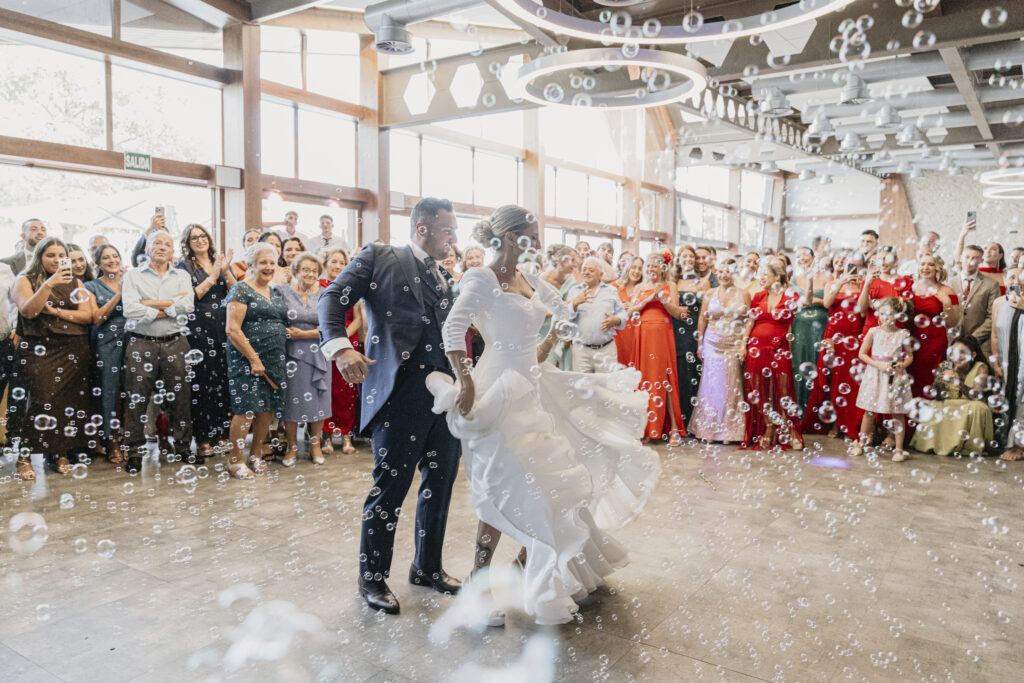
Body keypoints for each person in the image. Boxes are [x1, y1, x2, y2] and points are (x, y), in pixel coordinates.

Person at [428, 204, 659, 625]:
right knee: (499, 485)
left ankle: (524, 568)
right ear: (510, 236)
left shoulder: (531, 279)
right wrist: (466, 381)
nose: (537, 241)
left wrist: (556, 333)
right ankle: (480, 581)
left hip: (532, 388)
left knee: (547, 486)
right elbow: (452, 329)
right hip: (496, 391)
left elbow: (563, 316)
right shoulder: (481, 278)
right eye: (532, 234)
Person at [318, 197, 463, 615]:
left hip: (445, 395)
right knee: (391, 487)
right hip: (399, 394)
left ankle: (427, 567)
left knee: (441, 483)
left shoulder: (446, 276)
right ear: (422, 228)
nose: (454, 238)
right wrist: (340, 348)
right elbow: (332, 298)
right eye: (448, 230)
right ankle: (372, 577)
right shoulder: (379, 256)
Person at [11, 236, 97, 479]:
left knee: (66, 403)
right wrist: (49, 284)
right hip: (40, 348)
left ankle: (60, 452)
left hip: (73, 347)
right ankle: (24, 457)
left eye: (62, 256)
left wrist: (56, 311)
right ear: (39, 257)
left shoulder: (76, 282)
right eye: (51, 255)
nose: (57, 260)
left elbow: (87, 315)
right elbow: (29, 310)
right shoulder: (24, 280)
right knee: (42, 401)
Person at [121, 230, 195, 473]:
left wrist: (148, 305)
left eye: (167, 244)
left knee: (181, 398)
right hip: (141, 342)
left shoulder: (182, 275)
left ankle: (183, 447)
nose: (162, 247)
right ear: (147, 248)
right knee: (137, 398)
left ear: (172, 251)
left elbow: (187, 305)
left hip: (176, 341)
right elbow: (130, 310)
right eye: (157, 243)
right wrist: (171, 306)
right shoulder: (133, 275)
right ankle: (134, 452)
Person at [224, 243, 289, 478]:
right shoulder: (240, 290)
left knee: (267, 409)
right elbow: (232, 329)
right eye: (263, 262)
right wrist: (254, 359)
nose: (269, 267)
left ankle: (255, 456)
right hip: (247, 359)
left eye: (272, 262)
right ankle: (235, 461)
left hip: (275, 358)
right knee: (246, 409)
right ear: (250, 265)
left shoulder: (275, 292)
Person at [178, 224, 236, 459]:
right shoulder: (184, 267)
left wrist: (226, 271)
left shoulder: (219, 262)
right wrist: (213, 276)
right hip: (198, 330)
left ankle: (221, 434)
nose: (200, 240)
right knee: (202, 385)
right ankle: (202, 437)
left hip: (223, 328)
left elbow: (234, 292)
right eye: (194, 238)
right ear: (188, 243)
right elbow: (191, 297)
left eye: (203, 236)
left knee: (223, 384)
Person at [802, 252, 866, 441]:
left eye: (856, 265)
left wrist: (864, 284)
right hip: (833, 336)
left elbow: (863, 313)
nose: (852, 269)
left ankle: (849, 425)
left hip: (854, 335)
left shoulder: (863, 285)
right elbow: (828, 303)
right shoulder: (832, 283)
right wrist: (841, 282)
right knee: (833, 380)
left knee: (851, 382)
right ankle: (834, 424)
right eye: (849, 265)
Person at [275, 252, 330, 467]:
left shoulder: (325, 294)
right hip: (291, 354)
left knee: (318, 399)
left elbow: (330, 326)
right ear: (296, 271)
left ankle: (315, 445)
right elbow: (275, 320)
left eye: (314, 271)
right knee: (291, 401)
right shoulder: (281, 292)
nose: (310, 274)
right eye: (305, 269)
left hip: (319, 354)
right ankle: (292, 447)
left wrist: (304, 334)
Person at [742, 258, 802, 451]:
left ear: (777, 277)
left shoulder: (790, 296)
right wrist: (743, 345)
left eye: (765, 274)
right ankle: (768, 428)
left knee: (783, 391)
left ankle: (792, 430)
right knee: (761, 391)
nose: (761, 278)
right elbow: (750, 322)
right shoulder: (758, 296)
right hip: (757, 348)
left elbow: (802, 309)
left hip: (779, 348)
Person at [629, 251, 687, 445]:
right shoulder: (639, 287)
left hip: (662, 334)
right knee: (644, 379)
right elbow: (630, 311)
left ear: (663, 268)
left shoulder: (670, 286)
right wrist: (646, 301)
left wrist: (662, 298)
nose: (651, 269)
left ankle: (674, 429)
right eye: (649, 265)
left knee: (664, 378)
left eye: (655, 265)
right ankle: (644, 427)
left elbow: (678, 313)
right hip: (643, 334)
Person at [691, 258, 751, 443]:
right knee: (712, 386)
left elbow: (750, 319)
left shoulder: (744, 293)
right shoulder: (710, 293)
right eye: (722, 271)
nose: (725, 275)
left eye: (729, 271)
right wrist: (700, 343)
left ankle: (729, 432)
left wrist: (743, 344)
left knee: (731, 386)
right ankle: (709, 429)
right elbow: (702, 318)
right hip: (712, 343)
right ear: (717, 272)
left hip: (733, 344)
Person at [909, 336, 994, 458]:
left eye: (962, 352)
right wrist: (940, 383)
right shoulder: (945, 365)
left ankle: (969, 447)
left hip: (969, 404)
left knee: (978, 407)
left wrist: (959, 382)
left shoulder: (981, 367)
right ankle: (935, 445)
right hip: (948, 405)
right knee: (933, 405)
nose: (957, 356)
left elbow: (977, 396)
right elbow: (936, 395)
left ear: (973, 355)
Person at [853, 297, 914, 461]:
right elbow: (862, 354)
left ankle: (899, 449)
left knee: (897, 412)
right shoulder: (874, 332)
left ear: (898, 315)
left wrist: (903, 365)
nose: (886, 317)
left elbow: (910, 356)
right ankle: (861, 444)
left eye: (890, 314)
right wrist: (878, 365)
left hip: (895, 376)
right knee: (869, 411)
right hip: (876, 374)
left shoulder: (902, 334)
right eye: (882, 313)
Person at [84, 244, 126, 462]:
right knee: (109, 391)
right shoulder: (91, 286)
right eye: (106, 258)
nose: (112, 261)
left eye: (115, 256)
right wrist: (119, 294)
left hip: (132, 338)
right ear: (98, 263)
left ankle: (129, 437)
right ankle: (112, 441)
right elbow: (97, 318)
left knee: (131, 390)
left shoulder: (130, 280)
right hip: (105, 341)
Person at [320, 249, 362, 455]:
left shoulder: (351, 287)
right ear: (325, 264)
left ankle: (346, 434)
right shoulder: (319, 287)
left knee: (347, 390)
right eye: (333, 261)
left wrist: (342, 337)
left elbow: (358, 319)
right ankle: (326, 435)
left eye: (341, 262)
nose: (337, 266)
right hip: (327, 339)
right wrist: (334, 337)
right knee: (326, 389)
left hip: (347, 340)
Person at [909, 255, 960, 400]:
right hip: (912, 343)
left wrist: (946, 303)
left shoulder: (947, 290)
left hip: (935, 344)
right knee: (912, 381)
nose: (925, 268)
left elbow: (953, 323)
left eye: (930, 264)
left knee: (931, 382)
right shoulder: (911, 288)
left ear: (937, 268)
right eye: (922, 264)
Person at [566, 257, 626, 373]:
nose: (587, 272)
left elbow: (622, 313)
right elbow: (566, 318)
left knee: (608, 383)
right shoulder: (574, 291)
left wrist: (616, 320)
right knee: (582, 384)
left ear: (601, 275)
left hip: (606, 349)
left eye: (591, 270)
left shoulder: (611, 291)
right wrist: (574, 304)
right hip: (581, 350)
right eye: (584, 269)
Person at [792, 246, 831, 411]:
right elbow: (793, 303)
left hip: (820, 326)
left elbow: (830, 302)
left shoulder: (827, 276)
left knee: (818, 362)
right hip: (800, 327)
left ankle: (817, 408)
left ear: (814, 257)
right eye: (798, 256)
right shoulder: (794, 278)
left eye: (805, 254)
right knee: (800, 363)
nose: (801, 258)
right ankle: (800, 409)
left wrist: (815, 300)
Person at [991, 267, 1024, 460]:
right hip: (1005, 361)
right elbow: (995, 335)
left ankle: (1019, 445)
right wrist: (996, 362)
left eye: (1021, 277)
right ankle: (1008, 440)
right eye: (1012, 277)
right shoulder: (998, 302)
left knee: (1022, 396)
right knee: (1007, 395)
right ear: (1004, 280)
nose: (1017, 281)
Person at [673, 245, 707, 427]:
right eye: (684, 256)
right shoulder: (673, 282)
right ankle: (679, 417)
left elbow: (705, 313)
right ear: (678, 260)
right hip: (677, 330)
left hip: (695, 330)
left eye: (691, 257)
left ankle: (692, 420)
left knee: (694, 372)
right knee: (680, 371)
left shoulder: (703, 283)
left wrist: (702, 338)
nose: (688, 260)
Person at [949, 244, 1000, 349]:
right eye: (967, 257)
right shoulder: (949, 283)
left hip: (980, 344)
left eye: (975, 258)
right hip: (953, 341)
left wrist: (972, 339)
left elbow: (993, 317)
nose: (969, 261)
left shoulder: (991, 285)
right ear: (961, 258)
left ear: (981, 261)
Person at [538, 246, 578, 369]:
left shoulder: (572, 281)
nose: (575, 264)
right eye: (572, 260)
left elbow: (575, 311)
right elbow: (536, 313)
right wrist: (561, 308)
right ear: (561, 260)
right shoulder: (540, 281)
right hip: (544, 335)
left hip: (565, 336)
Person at [857, 246, 913, 333]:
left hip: (896, 332)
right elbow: (861, 311)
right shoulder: (869, 281)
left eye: (887, 259)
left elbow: (907, 309)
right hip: (872, 332)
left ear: (896, 260)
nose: (882, 263)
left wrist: (874, 304)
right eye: (879, 259)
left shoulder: (906, 281)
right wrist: (866, 284)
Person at [613, 257, 643, 369]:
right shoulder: (615, 287)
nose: (636, 271)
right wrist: (619, 307)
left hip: (636, 334)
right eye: (633, 267)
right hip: (618, 334)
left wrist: (634, 307)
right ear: (627, 268)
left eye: (640, 268)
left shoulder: (643, 289)